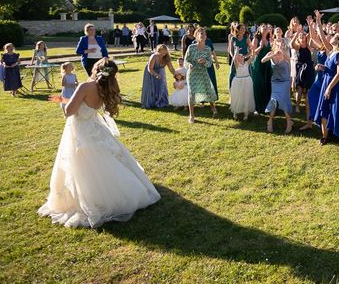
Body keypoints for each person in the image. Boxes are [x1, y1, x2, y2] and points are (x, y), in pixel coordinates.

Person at [39, 59, 160, 228]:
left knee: (82, 166)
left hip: (80, 132)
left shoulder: (84, 87)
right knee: (106, 161)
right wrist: (65, 98)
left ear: (96, 69)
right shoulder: (104, 88)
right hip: (95, 129)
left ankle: (93, 200)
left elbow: (70, 112)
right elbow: (87, 105)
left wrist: (62, 103)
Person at [312, 17, 339, 150]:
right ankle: (325, 136)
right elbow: (323, 37)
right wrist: (321, 67)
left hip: (337, 86)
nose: (330, 37)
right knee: (324, 109)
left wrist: (329, 88)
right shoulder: (331, 51)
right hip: (326, 82)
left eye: (334, 36)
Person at [184, 28, 217, 123]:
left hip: (203, 72)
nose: (202, 35)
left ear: (206, 37)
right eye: (200, 33)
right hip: (192, 73)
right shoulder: (191, 47)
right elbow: (186, 60)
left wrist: (204, 62)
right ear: (196, 36)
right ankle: (191, 115)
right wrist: (189, 65)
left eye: (204, 34)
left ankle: (212, 106)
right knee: (192, 93)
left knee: (208, 88)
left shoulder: (208, 49)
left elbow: (210, 63)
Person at [261, 37, 294, 134]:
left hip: (285, 81)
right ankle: (270, 121)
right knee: (274, 100)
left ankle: (289, 121)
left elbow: (289, 59)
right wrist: (273, 55)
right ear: (274, 43)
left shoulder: (285, 54)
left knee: (284, 100)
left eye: (282, 42)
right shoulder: (271, 53)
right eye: (278, 42)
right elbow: (263, 60)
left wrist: (282, 51)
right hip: (275, 81)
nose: (280, 44)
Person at [141, 44, 176, 109]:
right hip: (151, 72)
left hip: (161, 71)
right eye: (162, 51)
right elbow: (150, 68)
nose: (163, 52)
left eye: (165, 51)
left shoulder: (167, 57)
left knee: (162, 85)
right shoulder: (154, 56)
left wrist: (176, 74)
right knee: (152, 87)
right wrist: (156, 75)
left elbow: (171, 68)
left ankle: (162, 101)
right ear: (158, 50)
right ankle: (152, 102)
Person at [290, 30, 315, 117]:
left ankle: (308, 104)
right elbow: (291, 44)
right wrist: (296, 33)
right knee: (299, 88)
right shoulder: (298, 47)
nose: (301, 36)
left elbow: (312, 38)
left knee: (309, 87)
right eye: (300, 36)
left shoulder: (308, 46)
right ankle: (297, 106)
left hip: (309, 68)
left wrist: (310, 27)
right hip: (300, 68)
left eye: (303, 35)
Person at [249, 24, 273, 115]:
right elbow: (253, 53)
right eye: (263, 27)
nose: (265, 28)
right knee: (258, 85)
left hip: (267, 64)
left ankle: (266, 106)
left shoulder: (269, 39)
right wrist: (260, 46)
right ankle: (258, 107)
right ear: (259, 29)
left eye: (266, 27)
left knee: (267, 84)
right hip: (258, 64)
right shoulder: (256, 39)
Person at [229, 52, 255, 120]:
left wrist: (253, 49)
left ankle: (246, 113)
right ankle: (235, 111)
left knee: (246, 96)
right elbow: (234, 59)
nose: (242, 56)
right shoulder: (237, 64)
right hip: (238, 82)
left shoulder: (246, 63)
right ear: (238, 58)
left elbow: (253, 57)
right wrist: (236, 51)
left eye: (242, 56)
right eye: (240, 56)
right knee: (237, 96)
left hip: (247, 81)